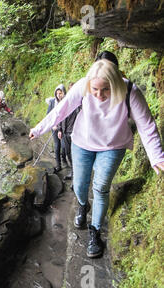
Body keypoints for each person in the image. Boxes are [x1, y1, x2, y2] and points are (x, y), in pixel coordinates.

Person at [29, 59, 164, 259]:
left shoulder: (130, 92)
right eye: (95, 90)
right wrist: (39, 129)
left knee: (100, 187)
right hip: (82, 143)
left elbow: (146, 126)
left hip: (113, 146)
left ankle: (95, 231)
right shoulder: (83, 86)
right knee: (79, 185)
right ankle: (83, 205)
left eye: (106, 90)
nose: (99, 95)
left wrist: (157, 157)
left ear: (116, 83)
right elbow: (61, 110)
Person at [57, 82, 80, 180]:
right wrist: (60, 129)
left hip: (75, 133)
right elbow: (60, 117)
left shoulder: (79, 103)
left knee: (76, 155)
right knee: (68, 153)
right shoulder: (65, 102)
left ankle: (76, 177)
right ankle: (73, 172)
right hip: (65, 133)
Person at [47, 84, 68, 172]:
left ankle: (64, 158)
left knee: (64, 146)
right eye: (57, 93)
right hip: (54, 127)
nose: (59, 95)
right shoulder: (52, 102)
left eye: (60, 93)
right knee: (57, 145)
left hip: (63, 128)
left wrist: (60, 128)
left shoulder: (66, 102)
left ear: (64, 93)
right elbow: (48, 114)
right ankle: (58, 165)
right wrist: (53, 125)